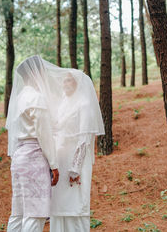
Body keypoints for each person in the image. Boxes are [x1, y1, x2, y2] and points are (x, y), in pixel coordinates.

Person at [5, 56, 59, 232]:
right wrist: (54, 164)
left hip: (18, 158)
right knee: (36, 213)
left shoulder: (19, 98)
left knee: (18, 212)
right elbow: (44, 135)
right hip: (34, 158)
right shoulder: (36, 98)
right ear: (36, 74)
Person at [49, 70, 105, 232]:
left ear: (77, 83)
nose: (65, 84)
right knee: (59, 203)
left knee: (76, 202)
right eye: (64, 81)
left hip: (76, 159)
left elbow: (84, 138)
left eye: (69, 81)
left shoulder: (84, 104)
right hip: (61, 157)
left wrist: (76, 168)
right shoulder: (63, 103)